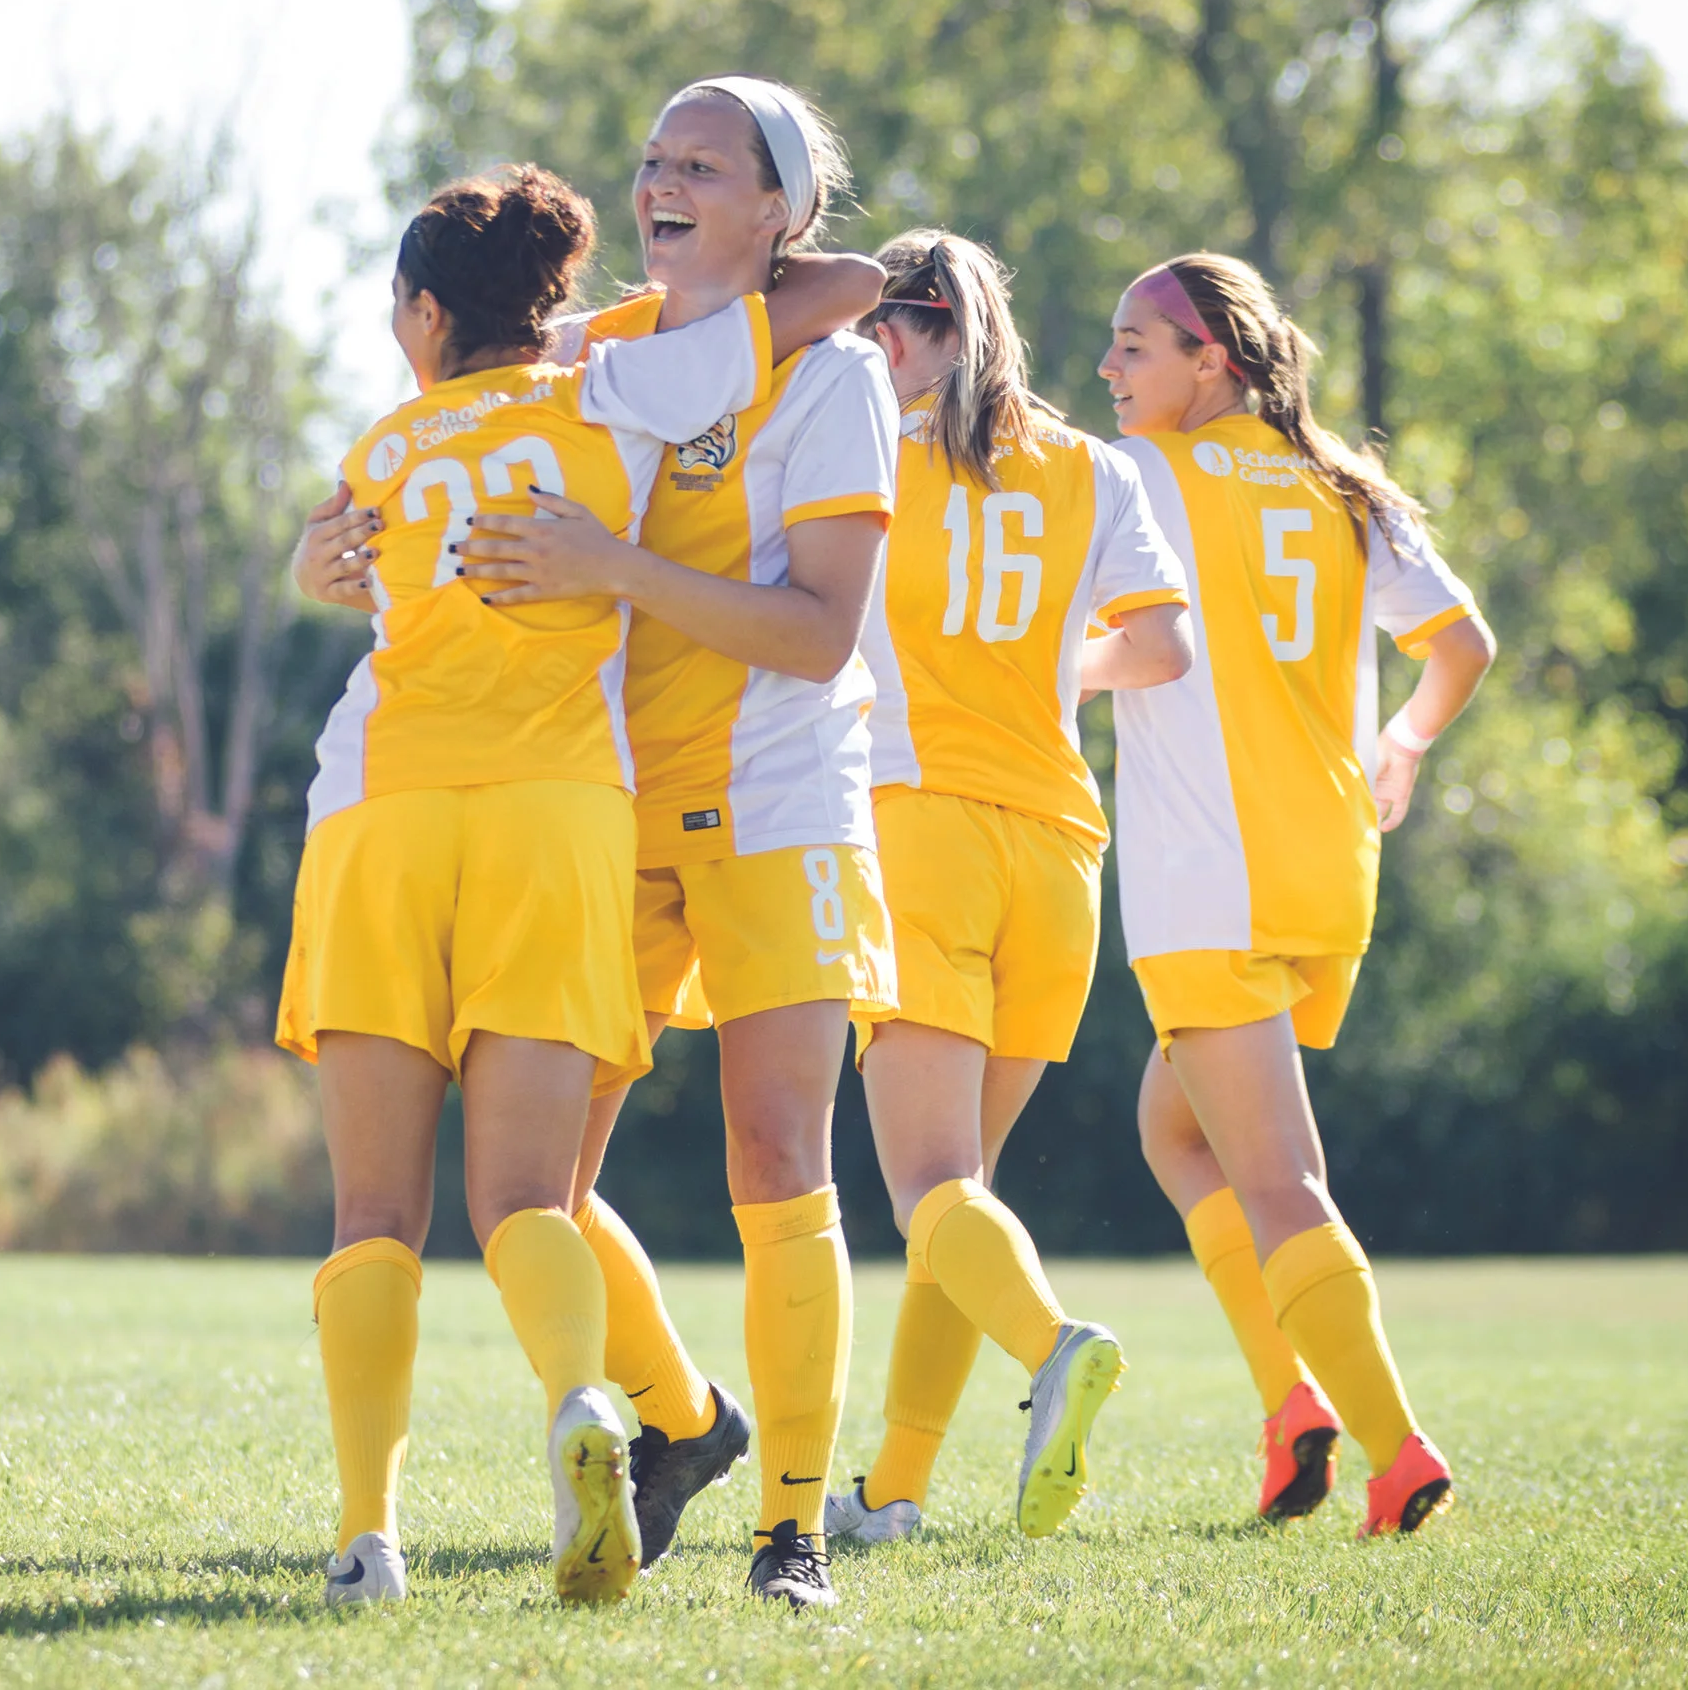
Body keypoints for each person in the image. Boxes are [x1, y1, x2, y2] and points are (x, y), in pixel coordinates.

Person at [281, 163, 881, 1610]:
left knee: (375, 1212)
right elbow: (836, 290)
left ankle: (369, 1542)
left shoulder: (381, 443)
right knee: (524, 1196)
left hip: (382, 813)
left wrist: (313, 564)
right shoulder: (614, 398)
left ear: (423, 314)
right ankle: (583, 1404)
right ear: (546, 306)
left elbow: (335, 560)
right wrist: (587, 334)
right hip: (559, 817)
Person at [455, 77, 900, 1608]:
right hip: (610, 807)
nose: (662, 180)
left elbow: (820, 633)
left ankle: (795, 1532)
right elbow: (471, 479)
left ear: (776, 208)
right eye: (651, 157)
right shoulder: (600, 356)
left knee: (776, 1160)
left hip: (779, 809)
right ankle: (685, 1422)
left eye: (702, 163)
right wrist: (354, 541)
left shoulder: (834, 382)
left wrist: (613, 565)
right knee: (544, 1184)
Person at [1101, 252, 1495, 1535]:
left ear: (1209, 357)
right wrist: (1407, 744)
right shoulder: (1342, 481)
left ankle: (1395, 1451)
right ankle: (1293, 1404)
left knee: (1279, 1180)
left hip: (1210, 874)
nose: (1109, 369)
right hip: (1327, 864)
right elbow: (1462, 645)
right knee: (1176, 1130)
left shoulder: (1145, 476)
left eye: (1134, 349)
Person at [820, 231, 1192, 1546]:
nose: (860, 354)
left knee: (929, 1186)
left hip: (919, 834)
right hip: (1058, 856)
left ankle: (1054, 1346)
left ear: (907, 331)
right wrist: (1049, 669)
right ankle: (898, 1491)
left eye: (873, 329)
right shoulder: (1095, 465)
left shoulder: (870, 447)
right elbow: (1160, 646)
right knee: (959, 1187)